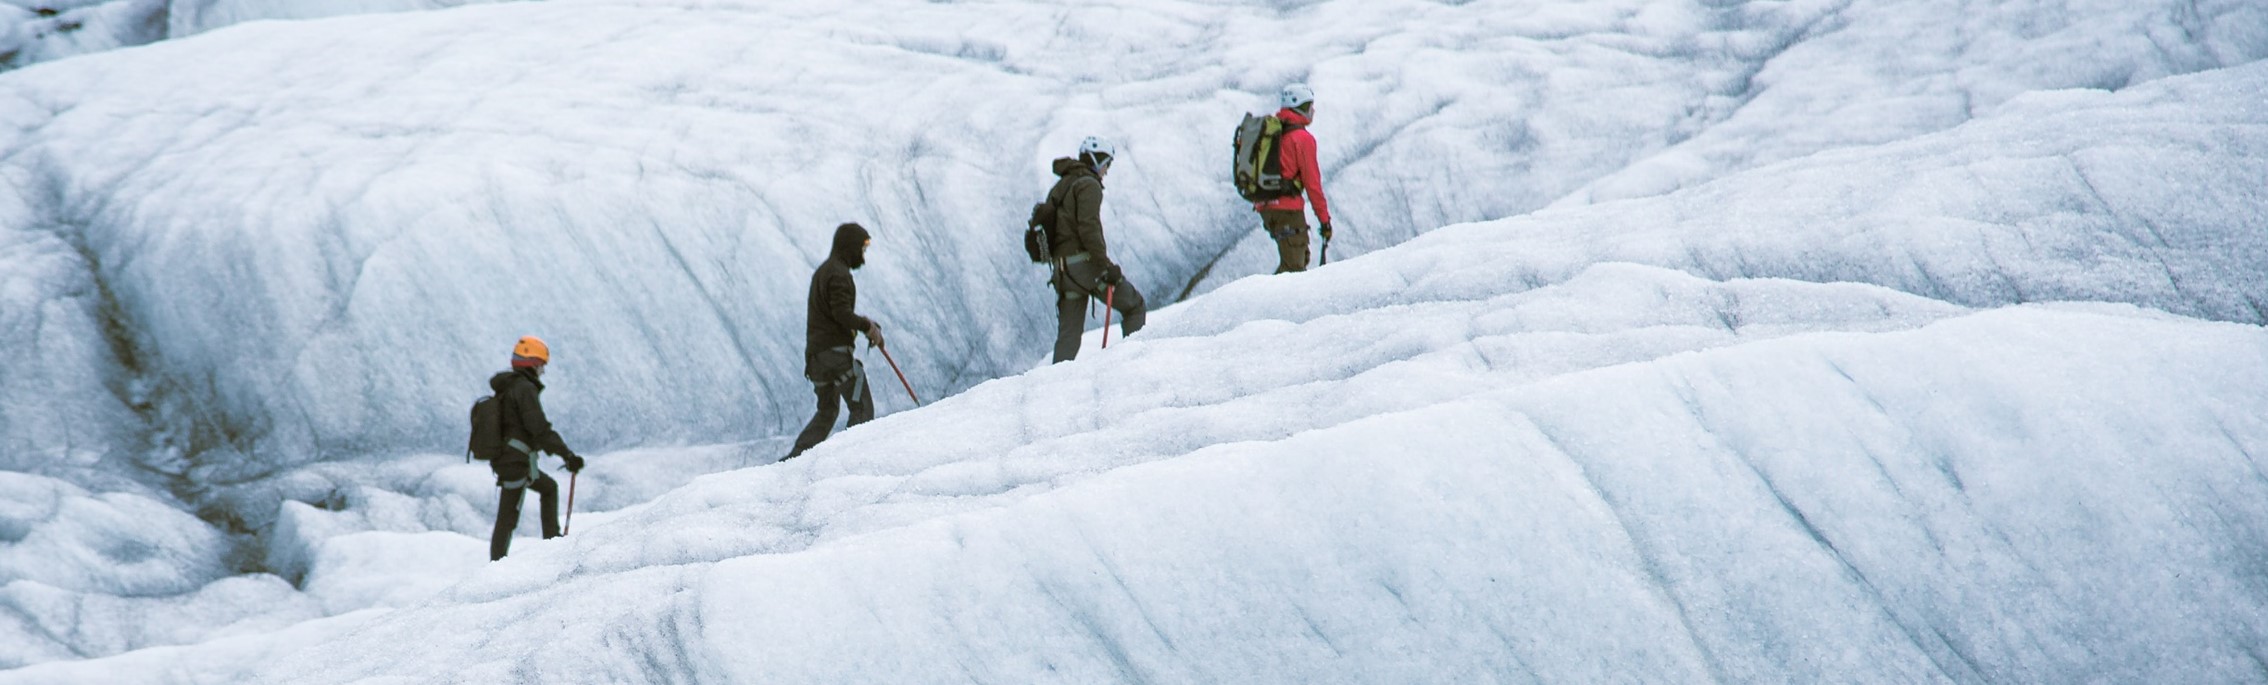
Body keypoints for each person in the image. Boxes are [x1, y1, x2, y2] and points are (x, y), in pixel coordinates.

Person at [787, 222, 884, 459]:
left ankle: (794, 460)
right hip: (835, 356)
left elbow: (835, 313)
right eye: (862, 249)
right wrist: (867, 327)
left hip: (816, 359)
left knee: (827, 411)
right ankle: (849, 459)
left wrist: (865, 326)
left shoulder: (823, 272)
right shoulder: (839, 275)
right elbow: (841, 314)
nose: (863, 255)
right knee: (860, 405)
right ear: (850, 247)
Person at [1046, 136, 1145, 363]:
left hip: (1062, 271)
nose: (1106, 171)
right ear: (1097, 160)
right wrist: (1106, 266)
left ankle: (1051, 390)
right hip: (1084, 266)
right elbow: (1089, 229)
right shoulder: (1088, 185)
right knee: (1134, 306)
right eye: (1107, 164)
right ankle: (1134, 365)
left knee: (1069, 338)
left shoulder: (1063, 184)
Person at [487, 335, 585, 561]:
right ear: (532, 363)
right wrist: (567, 455)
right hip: (515, 460)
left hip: (509, 458)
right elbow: (539, 428)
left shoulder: (510, 387)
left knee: (547, 488)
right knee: (508, 516)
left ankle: (551, 543)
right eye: (541, 365)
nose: (543, 370)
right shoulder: (523, 389)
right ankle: (497, 565)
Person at [1254, 83, 1334, 274]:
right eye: (1309, 106)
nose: (1312, 110)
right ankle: (1262, 302)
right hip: (1287, 209)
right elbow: (1313, 185)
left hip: (1266, 206)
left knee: (1295, 262)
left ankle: (1265, 299)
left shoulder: (1275, 131)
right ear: (1301, 108)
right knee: (1294, 267)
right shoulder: (1302, 139)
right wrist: (1324, 220)